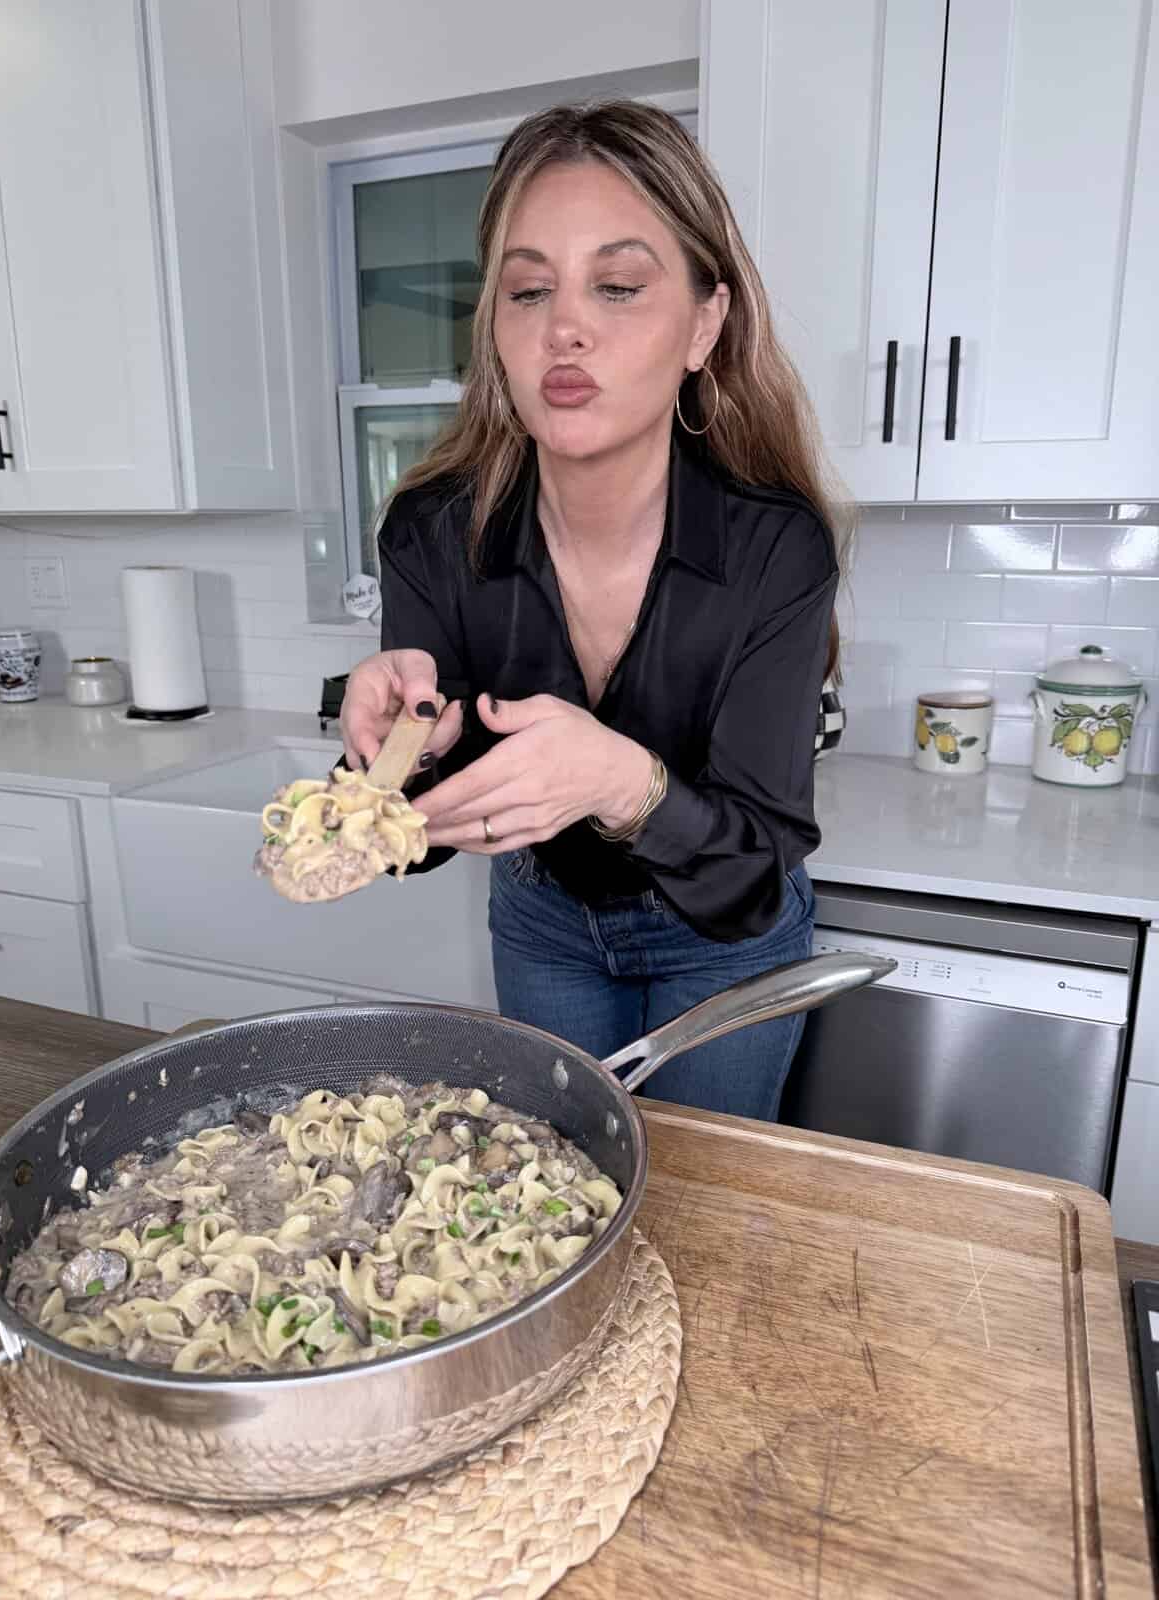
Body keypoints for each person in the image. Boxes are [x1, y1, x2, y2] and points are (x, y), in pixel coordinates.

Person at [340, 100, 846, 1121]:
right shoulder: (432, 531)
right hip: (543, 925)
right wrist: (388, 761)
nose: (565, 326)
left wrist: (623, 781)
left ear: (704, 324)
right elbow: (418, 833)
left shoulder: (774, 548)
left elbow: (750, 876)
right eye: (529, 290)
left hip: (725, 945)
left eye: (618, 286)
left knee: (706, 1206)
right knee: (559, 1188)